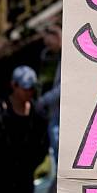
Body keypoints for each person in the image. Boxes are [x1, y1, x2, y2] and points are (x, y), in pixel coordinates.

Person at [38, 23, 62, 164]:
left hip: (59, 109)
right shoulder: (48, 56)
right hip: (52, 110)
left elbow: (62, 86)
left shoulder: (65, 57)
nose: (47, 46)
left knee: (58, 144)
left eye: (49, 42)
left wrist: (44, 100)